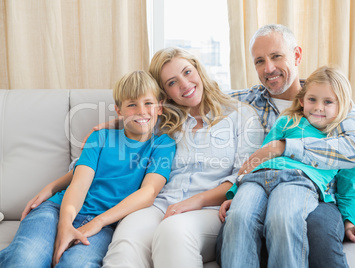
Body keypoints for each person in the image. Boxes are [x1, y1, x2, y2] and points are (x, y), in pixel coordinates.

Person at [19, 47, 264, 267]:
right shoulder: (168, 124)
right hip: (159, 204)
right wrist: (114, 124)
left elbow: (242, 176)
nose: (184, 84)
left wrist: (198, 200)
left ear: (199, 70)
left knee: (174, 233)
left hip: (208, 208)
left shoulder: (242, 115)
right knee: (125, 244)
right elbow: (137, 123)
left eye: (188, 72)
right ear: (164, 94)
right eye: (172, 82)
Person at [215, 24, 355, 267]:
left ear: (296, 55)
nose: (269, 68)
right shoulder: (286, 116)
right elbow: (259, 154)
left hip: (301, 182)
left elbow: (351, 169)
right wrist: (235, 191)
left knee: (284, 219)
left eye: (276, 56)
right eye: (259, 61)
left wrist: (351, 220)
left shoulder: (338, 111)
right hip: (259, 180)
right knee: (237, 220)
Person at [0, 70, 176, 267]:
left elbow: (148, 192)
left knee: (77, 264)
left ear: (160, 107)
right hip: (57, 210)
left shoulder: (163, 145)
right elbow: (79, 185)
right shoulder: (100, 137)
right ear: (119, 110)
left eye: (148, 103)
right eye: (132, 105)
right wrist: (65, 224)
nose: (142, 111)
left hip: (104, 224)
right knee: (27, 259)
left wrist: (98, 222)